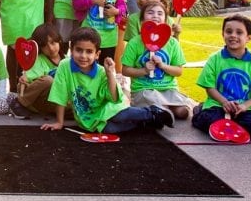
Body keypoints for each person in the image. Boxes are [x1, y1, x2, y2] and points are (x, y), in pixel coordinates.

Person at [40, 27, 174, 133]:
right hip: (89, 118)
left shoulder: (102, 71)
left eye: (89, 52)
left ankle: (151, 113)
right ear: (71, 49)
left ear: (97, 54)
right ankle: (144, 123)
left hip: (108, 108)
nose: (83, 56)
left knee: (118, 116)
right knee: (109, 129)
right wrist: (59, 122)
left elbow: (114, 98)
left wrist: (110, 73)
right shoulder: (65, 66)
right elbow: (60, 96)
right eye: (79, 50)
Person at [192, 14, 251, 139]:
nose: (233, 35)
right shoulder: (214, 59)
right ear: (222, 34)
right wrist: (224, 102)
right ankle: (200, 110)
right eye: (228, 31)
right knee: (208, 121)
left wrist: (245, 105)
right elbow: (209, 88)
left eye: (239, 32)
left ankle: (228, 124)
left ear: (249, 37)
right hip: (218, 104)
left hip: (246, 108)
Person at [121, 1, 190, 120]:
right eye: (150, 12)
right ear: (142, 20)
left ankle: (165, 110)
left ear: (166, 20)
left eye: (160, 13)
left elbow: (178, 71)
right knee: (158, 108)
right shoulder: (134, 43)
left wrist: (163, 66)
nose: (155, 16)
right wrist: (144, 70)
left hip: (168, 89)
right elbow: (125, 70)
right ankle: (161, 111)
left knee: (182, 112)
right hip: (144, 89)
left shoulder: (172, 43)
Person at [11, 23, 65, 119]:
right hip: (34, 99)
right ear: (40, 48)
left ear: (59, 40)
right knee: (48, 80)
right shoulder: (38, 60)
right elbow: (29, 80)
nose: (51, 48)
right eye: (45, 46)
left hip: (51, 102)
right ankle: (19, 102)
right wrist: (24, 79)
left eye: (53, 43)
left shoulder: (67, 61)